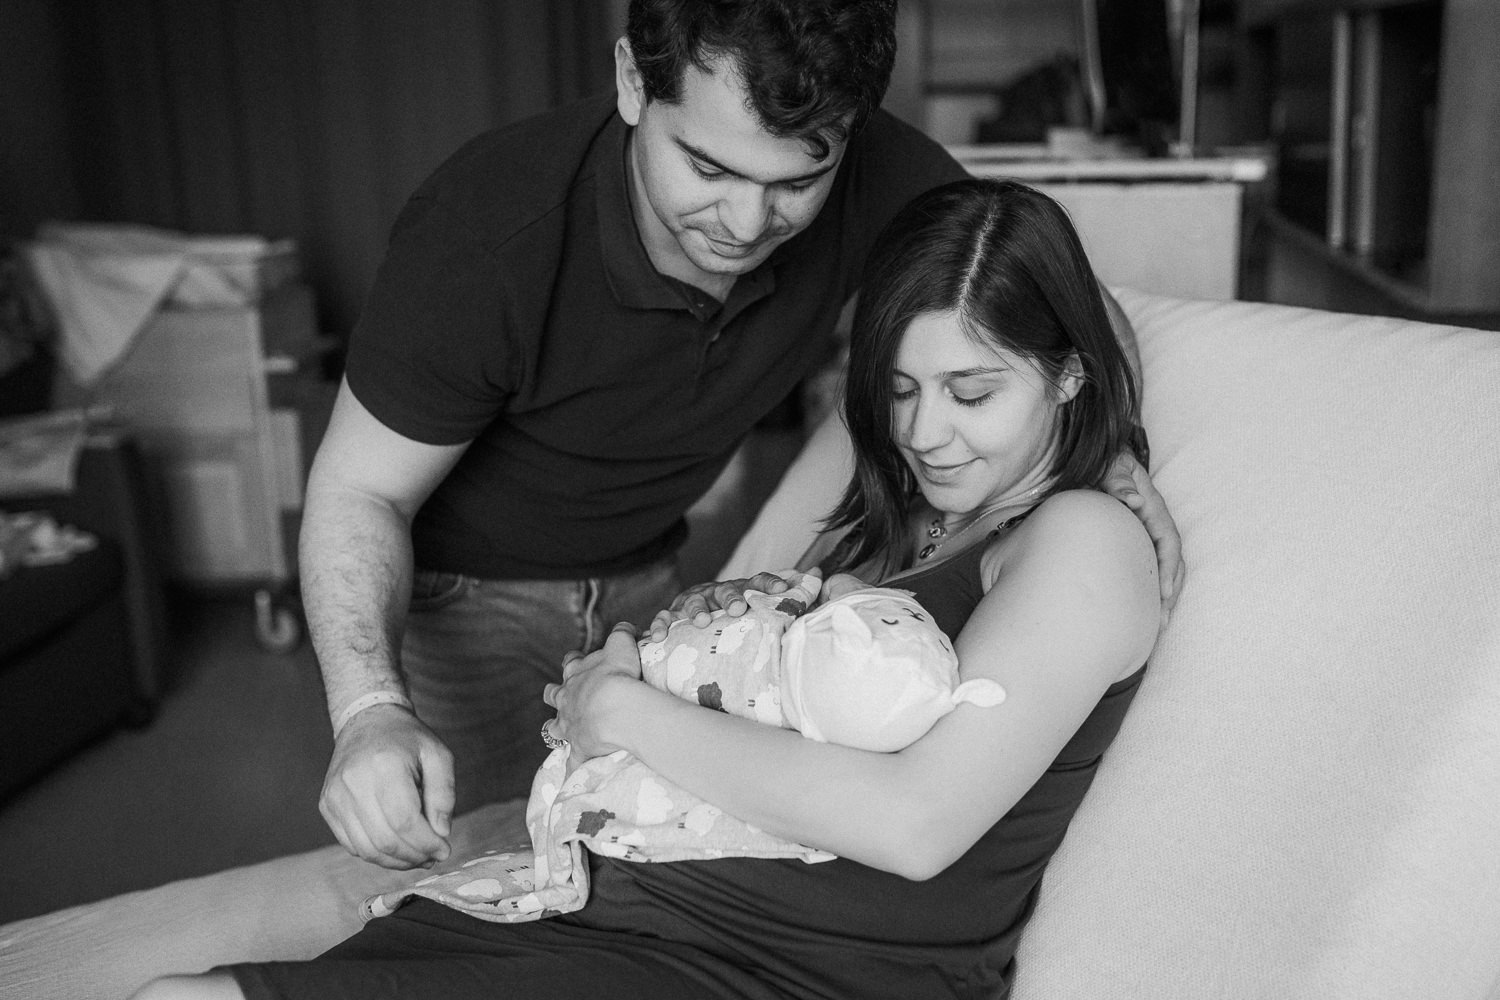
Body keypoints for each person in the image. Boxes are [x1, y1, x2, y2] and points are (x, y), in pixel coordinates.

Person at [132, 177, 1160, 1000]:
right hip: (646, 906)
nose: (925, 431)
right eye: (898, 389)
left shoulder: (1081, 539)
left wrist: (622, 712)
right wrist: (645, 679)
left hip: (801, 965)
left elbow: (917, 825)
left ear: (1070, 374)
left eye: (972, 392)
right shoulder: (915, 507)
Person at [303, 0, 1181, 879]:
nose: (747, 222)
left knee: (616, 865)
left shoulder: (885, 173)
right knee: (488, 865)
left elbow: (1074, 313)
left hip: (649, 571)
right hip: (467, 597)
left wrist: (1110, 452)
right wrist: (369, 711)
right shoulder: (486, 231)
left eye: (798, 181)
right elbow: (359, 490)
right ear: (632, 83)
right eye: (707, 167)